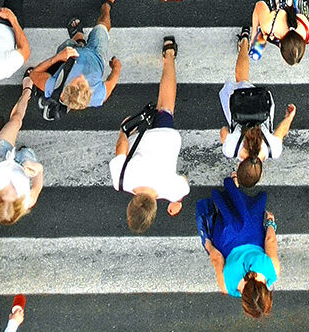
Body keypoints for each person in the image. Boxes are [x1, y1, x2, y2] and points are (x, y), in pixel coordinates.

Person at [108, 37, 189, 230]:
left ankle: (169, 54)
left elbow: (183, 182)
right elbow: (121, 148)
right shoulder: (121, 181)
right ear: (131, 207)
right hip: (140, 137)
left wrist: (176, 201)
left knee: (166, 105)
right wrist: (123, 131)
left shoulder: (171, 189)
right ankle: (168, 56)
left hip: (165, 138)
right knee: (157, 109)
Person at [28, 0, 121, 116]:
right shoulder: (98, 96)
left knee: (73, 44)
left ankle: (79, 39)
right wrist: (116, 68)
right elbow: (112, 82)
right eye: (85, 81)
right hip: (96, 55)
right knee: (102, 27)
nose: (82, 75)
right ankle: (107, 5)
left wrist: (57, 58)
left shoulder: (55, 88)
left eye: (77, 78)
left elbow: (34, 75)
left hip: (68, 55)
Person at [197, 176, 278, 317]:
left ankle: (234, 187)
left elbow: (270, 241)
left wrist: (271, 223)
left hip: (252, 233)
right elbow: (217, 258)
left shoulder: (273, 271)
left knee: (244, 210)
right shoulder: (227, 286)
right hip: (227, 239)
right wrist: (208, 244)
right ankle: (227, 194)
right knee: (226, 215)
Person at [217, 31, 295, 176]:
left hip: (263, 107)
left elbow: (280, 133)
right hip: (240, 107)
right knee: (241, 78)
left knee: (243, 79)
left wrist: (289, 117)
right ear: (240, 166)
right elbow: (223, 131)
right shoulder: (231, 150)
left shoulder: (274, 151)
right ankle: (244, 42)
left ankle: (245, 43)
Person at [0, 78, 43, 224]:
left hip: (0, 159)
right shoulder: (28, 200)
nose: (10, 189)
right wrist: (36, 168)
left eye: (3, 193)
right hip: (23, 163)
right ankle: (24, 150)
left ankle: (27, 92)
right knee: (27, 153)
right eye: (13, 194)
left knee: (16, 121)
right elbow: (38, 183)